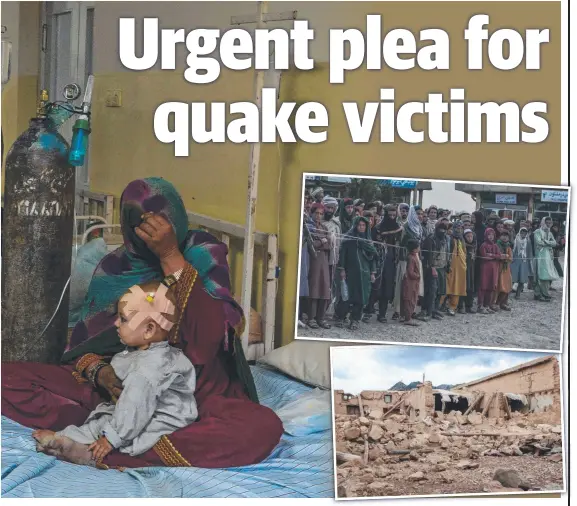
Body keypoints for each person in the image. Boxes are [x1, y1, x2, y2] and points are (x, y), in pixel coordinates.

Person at [2, 177, 283, 470]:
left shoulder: (203, 253)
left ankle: (112, 449)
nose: (148, 232)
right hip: (114, 391)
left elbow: (211, 341)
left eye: (158, 220)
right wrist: (101, 373)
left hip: (194, 396)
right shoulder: (115, 268)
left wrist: (170, 257)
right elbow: (85, 346)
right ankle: (108, 426)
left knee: (262, 427)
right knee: (6, 378)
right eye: (138, 222)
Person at [33, 280, 197, 465]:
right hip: (135, 408)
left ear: (149, 330)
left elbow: (135, 407)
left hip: (158, 416)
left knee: (116, 429)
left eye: (124, 319)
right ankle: (65, 440)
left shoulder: (145, 372)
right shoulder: (145, 351)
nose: (116, 323)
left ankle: (88, 453)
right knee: (103, 419)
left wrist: (111, 439)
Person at [335, 216, 377, 330]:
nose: (361, 227)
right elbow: (343, 255)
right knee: (346, 296)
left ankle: (355, 320)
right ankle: (340, 317)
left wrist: (373, 273)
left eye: (363, 225)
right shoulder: (349, 239)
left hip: (364, 274)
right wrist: (342, 269)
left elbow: (373, 257)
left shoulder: (368, 241)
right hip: (350, 273)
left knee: (360, 297)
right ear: (355, 226)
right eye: (359, 225)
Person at [367, 205, 402, 323]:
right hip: (378, 260)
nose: (392, 217)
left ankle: (382, 314)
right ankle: (368, 311)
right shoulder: (377, 228)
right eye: (390, 215)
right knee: (375, 287)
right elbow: (372, 244)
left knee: (387, 289)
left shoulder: (398, 228)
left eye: (394, 215)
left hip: (391, 262)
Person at [392, 206, 424, 321]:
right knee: (404, 286)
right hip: (405, 260)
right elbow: (401, 244)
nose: (420, 216)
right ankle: (399, 310)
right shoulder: (406, 227)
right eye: (418, 214)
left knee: (414, 286)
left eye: (421, 214)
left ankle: (411, 310)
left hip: (416, 258)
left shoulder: (419, 228)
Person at [307, 203, 332, 329]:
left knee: (324, 288)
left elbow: (329, 245)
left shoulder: (324, 228)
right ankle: (311, 318)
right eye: (316, 213)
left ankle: (321, 318)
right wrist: (321, 242)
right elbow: (310, 244)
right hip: (314, 260)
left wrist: (321, 243)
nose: (318, 216)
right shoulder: (309, 227)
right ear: (312, 213)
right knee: (314, 288)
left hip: (324, 261)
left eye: (321, 213)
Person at [418, 221, 449, 321]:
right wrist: (432, 267)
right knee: (432, 291)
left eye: (444, 229)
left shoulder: (446, 239)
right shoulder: (430, 239)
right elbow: (428, 256)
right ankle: (428, 311)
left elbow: (447, 252)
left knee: (440, 291)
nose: (442, 231)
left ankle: (435, 310)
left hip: (442, 267)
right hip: (432, 268)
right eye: (440, 229)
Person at [533, 217, 559, 301]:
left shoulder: (550, 233)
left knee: (547, 275)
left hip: (548, 256)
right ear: (543, 222)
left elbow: (555, 243)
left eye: (549, 223)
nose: (548, 225)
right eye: (546, 223)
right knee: (540, 275)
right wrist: (548, 243)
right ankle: (537, 294)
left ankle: (545, 293)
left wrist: (546, 242)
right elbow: (538, 242)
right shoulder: (537, 232)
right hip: (540, 256)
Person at [445, 221, 467, 316]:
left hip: (460, 268)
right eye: (457, 228)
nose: (459, 230)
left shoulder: (462, 240)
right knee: (446, 286)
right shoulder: (449, 238)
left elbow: (464, 252)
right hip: (450, 266)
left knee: (457, 287)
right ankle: (438, 306)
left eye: (461, 228)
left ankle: (452, 307)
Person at [477, 228, 501, 314]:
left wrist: (491, 255)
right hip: (485, 268)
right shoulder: (483, 245)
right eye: (489, 235)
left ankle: (487, 305)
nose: (491, 237)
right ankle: (480, 305)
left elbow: (499, 256)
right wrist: (494, 256)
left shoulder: (495, 246)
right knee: (483, 286)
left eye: (492, 235)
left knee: (491, 287)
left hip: (494, 269)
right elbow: (484, 256)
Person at [401, 239, 422, 327]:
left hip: (412, 282)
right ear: (414, 249)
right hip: (410, 282)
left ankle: (405, 317)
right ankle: (408, 318)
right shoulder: (411, 258)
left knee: (410, 298)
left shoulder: (412, 256)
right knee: (410, 299)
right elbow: (410, 272)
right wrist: (418, 276)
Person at [457, 228, 477, 314]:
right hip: (463, 269)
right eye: (467, 236)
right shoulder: (462, 246)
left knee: (470, 287)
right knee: (463, 286)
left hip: (471, 269)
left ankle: (469, 305)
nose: (470, 238)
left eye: (471, 236)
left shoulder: (474, 246)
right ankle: (460, 306)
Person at [495, 231, 513, 311]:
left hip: (506, 269)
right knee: (499, 286)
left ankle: (503, 303)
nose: (505, 237)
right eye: (503, 235)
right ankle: (496, 303)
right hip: (498, 268)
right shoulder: (496, 245)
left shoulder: (508, 247)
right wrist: (504, 257)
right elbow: (497, 256)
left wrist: (506, 258)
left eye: (506, 236)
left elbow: (510, 258)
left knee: (507, 286)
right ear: (500, 236)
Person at [511, 227, 530, 299]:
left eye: (525, 233)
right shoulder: (516, 240)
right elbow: (513, 249)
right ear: (519, 232)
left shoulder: (527, 241)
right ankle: (507, 292)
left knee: (522, 278)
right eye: (522, 232)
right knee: (513, 277)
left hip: (524, 261)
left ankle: (518, 294)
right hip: (515, 260)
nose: (523, 234)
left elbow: (529, 251)